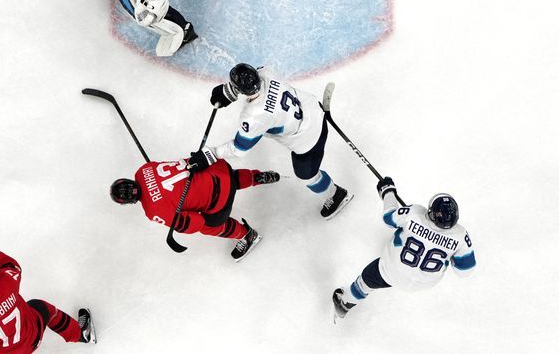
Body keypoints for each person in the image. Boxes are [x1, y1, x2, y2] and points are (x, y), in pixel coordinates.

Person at [209, 63, 352, 220]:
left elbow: (238, 149)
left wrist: (212, 153)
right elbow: (253, 79)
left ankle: (336, 195)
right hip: (312, 108)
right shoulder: (266, 72)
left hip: (308, 140)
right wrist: (228, 91)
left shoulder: (254, 116)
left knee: (306, 175)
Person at [332, 177, 476, 321]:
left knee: (367, 279)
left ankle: (345, 302)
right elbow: (464, 271)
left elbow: (388, 218)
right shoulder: (460, 235)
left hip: (391, 272)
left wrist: (388, 191)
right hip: (425, 283)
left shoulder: (415, 213)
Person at [110, 147, 280, 261]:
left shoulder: (152, 211)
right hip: (219, 168)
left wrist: (179, 224)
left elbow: (195, 223)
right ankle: (255, 177)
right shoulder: (144, 169)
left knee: (207, 225)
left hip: (219, 201)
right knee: (219, 177)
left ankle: (247, 235)